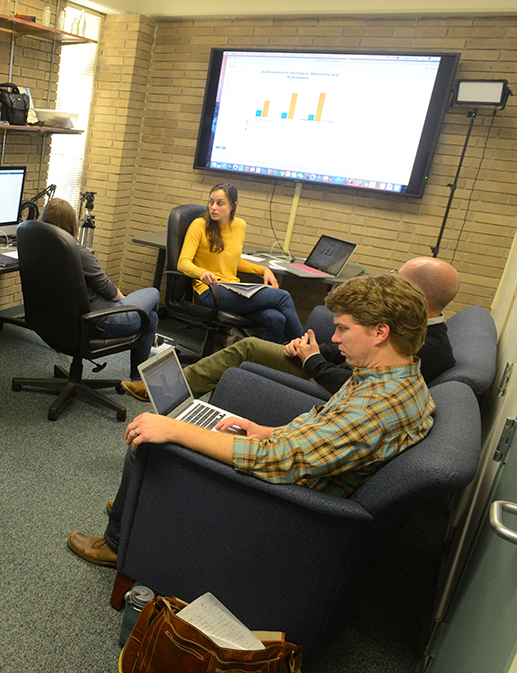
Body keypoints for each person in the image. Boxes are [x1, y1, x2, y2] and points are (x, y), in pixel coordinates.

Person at [68, 272, 434, 567]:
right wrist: (267, 430)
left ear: (381, 332)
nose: (334, 338)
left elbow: (274, 461)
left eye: (343, 329)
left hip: (279, 502)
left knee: (150, 437)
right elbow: (324, 428)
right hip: (294, 468)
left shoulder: (374, 408)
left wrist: (178, 430)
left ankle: (117, 542)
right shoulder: (396, 378)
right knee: (177, 426)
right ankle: (137, 501)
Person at [120, 255, 459, 401]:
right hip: (320, 367)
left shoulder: (431, 349)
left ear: (418, 293)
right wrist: (311, 350)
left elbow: (355, 387)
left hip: (323, 384)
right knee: (258, 336)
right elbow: (346, 354)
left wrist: (313, 361)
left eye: (399, 279)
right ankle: (166, 390)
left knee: (274, 311)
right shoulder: (406, 325)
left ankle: (164, 391)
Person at [39, 198, 160, 380]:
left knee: (150, 318)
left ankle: (141, 369)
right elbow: (108, 289)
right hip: (96, 323)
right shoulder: (77, 253)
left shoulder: (37, 248)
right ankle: (138, 379)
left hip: (56, 322)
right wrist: (125, 304)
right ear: (72, 224)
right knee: (153, 296)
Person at [176, 182, 304, 344]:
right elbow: (183, 262)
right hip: (209, 292)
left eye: (220, 203)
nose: (213, 207)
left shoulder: (239, 225)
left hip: (232, 289)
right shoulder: (199, 225)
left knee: (276, 319)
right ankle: (305, 353)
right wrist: (201, 273)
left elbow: (234, 261)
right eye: (211, 202)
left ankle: (261, 366)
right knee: (282, 297)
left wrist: (263, 270)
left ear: (233, 206)